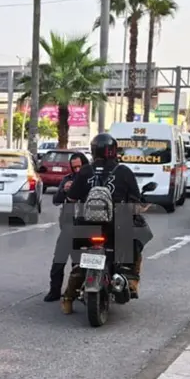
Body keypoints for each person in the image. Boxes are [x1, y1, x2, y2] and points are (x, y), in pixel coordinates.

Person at [63, 133, 151, 312]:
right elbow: (136, 202)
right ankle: (131, 280)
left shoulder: (85, 171)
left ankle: (68, 298)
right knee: (137, 242)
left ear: (93, 151)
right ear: (113, 151)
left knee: (79, 262)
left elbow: (71, 198)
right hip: (118, 226)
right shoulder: (124, 171)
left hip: (86, 225)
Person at [44, 152, 89, 302]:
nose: (77, 170)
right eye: (74, 167)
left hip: (86, 225)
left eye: (79, 167)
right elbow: (56, 200)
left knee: (79, 262)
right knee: (59, 260)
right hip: (68, 225)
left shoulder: (92, 179)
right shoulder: (68, 179)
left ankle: (79, 291)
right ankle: (54, 291)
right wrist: (64, 190)